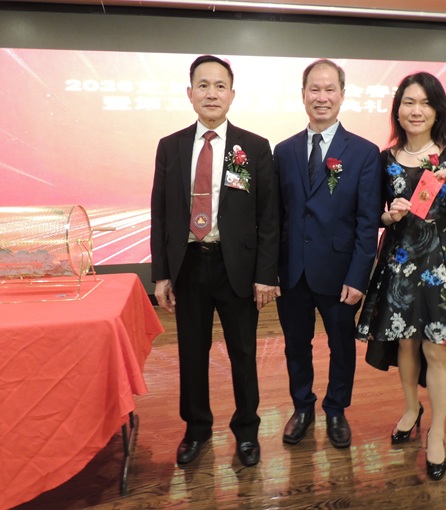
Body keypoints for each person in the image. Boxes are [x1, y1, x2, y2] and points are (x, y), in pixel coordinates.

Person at [356, 71, 446, 480]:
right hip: (400, 259)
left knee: (437, 347)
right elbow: (374, 215)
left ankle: (438, 431)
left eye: (425, 103)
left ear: (438, 110)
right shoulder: (384, 159)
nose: (416, 111)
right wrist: (389, 216)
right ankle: (411, 408)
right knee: (407, 343)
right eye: (409, 103)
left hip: (443, 263)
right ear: (398, 110)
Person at [150, 55, 279, 468]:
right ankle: (197, 428)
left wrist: (265, 275)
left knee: (243, 352)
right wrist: (161, 275)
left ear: (232, 94)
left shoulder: (254, 147)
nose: (211, 93)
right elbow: (160, 214)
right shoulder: (170, 146)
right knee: (192, 352)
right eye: (203, 85)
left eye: (219, 86)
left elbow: (269, 217)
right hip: (188, 264)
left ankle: (247, 431)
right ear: (190, 93)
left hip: (236, 267)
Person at [274, 59, 382, 449]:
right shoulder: (283, 151)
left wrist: (358, 276)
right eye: (314, 89)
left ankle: (336, 409)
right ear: (303, 94)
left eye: (329, 89)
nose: (322, 97)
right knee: (295, 345)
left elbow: (367, 222)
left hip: (339, 273)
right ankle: (302, 406)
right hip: (292, 271)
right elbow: (277, 216)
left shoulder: (364, 153)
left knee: (341, 346)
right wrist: (271, 271)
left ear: (342, 94)